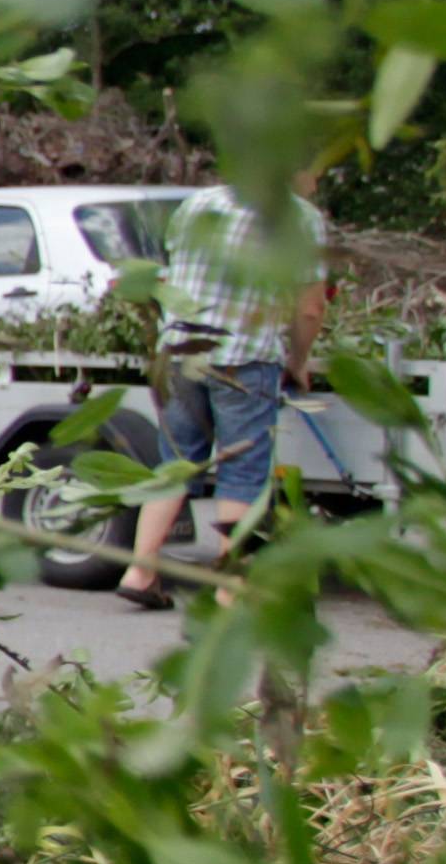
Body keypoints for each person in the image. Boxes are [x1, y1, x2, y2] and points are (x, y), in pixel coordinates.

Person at [119, 174, 328, 610]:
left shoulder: (198, 204)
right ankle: (230, 587)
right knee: (242, 473)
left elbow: (168, 280)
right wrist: (299, 360)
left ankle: (139, 572)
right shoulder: (300, 218)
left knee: (174, 466)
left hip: (179, 354)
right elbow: (310, 307)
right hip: (245, 358)